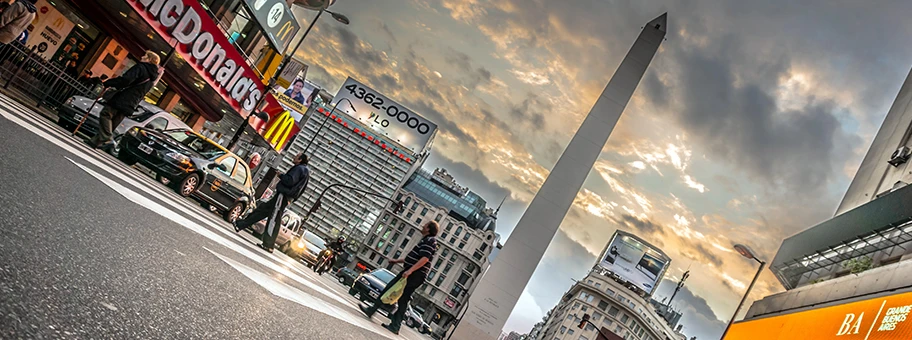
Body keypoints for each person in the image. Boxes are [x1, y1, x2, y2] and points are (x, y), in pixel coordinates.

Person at [360, 221, 439, 335]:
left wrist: (410, 270)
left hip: (414, 274)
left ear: (429, 229)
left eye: (425, 225)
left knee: (392, 290)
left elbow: (425, 259)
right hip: (412, 273)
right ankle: (394, 325)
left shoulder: (429, 240)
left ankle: (375, 312)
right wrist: (397, 261)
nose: (422, 226)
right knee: (402, 299)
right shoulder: (426, 240)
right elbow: (413, 258)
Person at [234, 153, 310, 253]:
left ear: (300, 160)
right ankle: (241, 224)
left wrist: (281, 175)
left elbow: (290, 181)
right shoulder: (305, 171)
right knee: (263, 210)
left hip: (283, 195)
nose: (294, 157)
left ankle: (268, 244)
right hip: (286, 196)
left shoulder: (299, 169)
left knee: (274, 218)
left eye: (296, 156)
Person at [86, 50, 162, 149]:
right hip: (132, 103)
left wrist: (109, 82)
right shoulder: (152, 79)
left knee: (105, 114)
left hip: (123, 98)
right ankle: (96, 142)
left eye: (145, 56)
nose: (142, 57)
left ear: (149, 59)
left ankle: (108, 139)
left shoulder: (140, 67)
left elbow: (125, 80)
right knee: (114, 122)